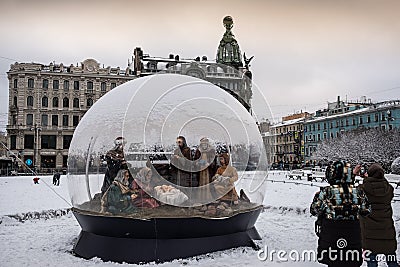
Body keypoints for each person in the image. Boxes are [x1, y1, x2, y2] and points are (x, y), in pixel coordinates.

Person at [310, 160, 371, 267]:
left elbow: (314, 210)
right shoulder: (358, 192)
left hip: (331, 234)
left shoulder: (326, 192)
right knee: (351, 261)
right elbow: (366, 211)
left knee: (333, 261)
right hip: (352, 233)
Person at [354, 163, 398, 267]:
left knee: (371, 261)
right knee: (391, 260)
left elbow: (354, 191)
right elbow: (383, 183)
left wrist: (365, 178)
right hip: (386, 230)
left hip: (369, 231)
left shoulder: (363, 189)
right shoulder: (389, 190)